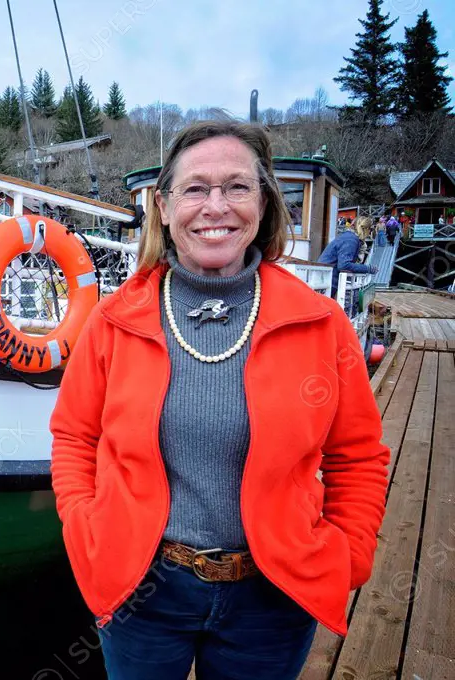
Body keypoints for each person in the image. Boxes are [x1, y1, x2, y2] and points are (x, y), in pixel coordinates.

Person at [50, 121, 389, 680]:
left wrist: (349, 554)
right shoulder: (113, 322)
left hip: (273, 596)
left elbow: (357, 456)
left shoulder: (320, 324)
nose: (216, 206)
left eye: (236, 187)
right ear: (163, 206)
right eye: (196, 188)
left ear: (262, 203)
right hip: (142, 587)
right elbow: (73, 439)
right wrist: (85, 528)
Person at [319, 219, 378, 297]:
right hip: (327, 280)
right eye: (370, 230)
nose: (370, 233)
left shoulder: (348, 237)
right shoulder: (351, 240)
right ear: (366, 229)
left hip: (324, 278)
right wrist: (368, 269)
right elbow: (344, 265)